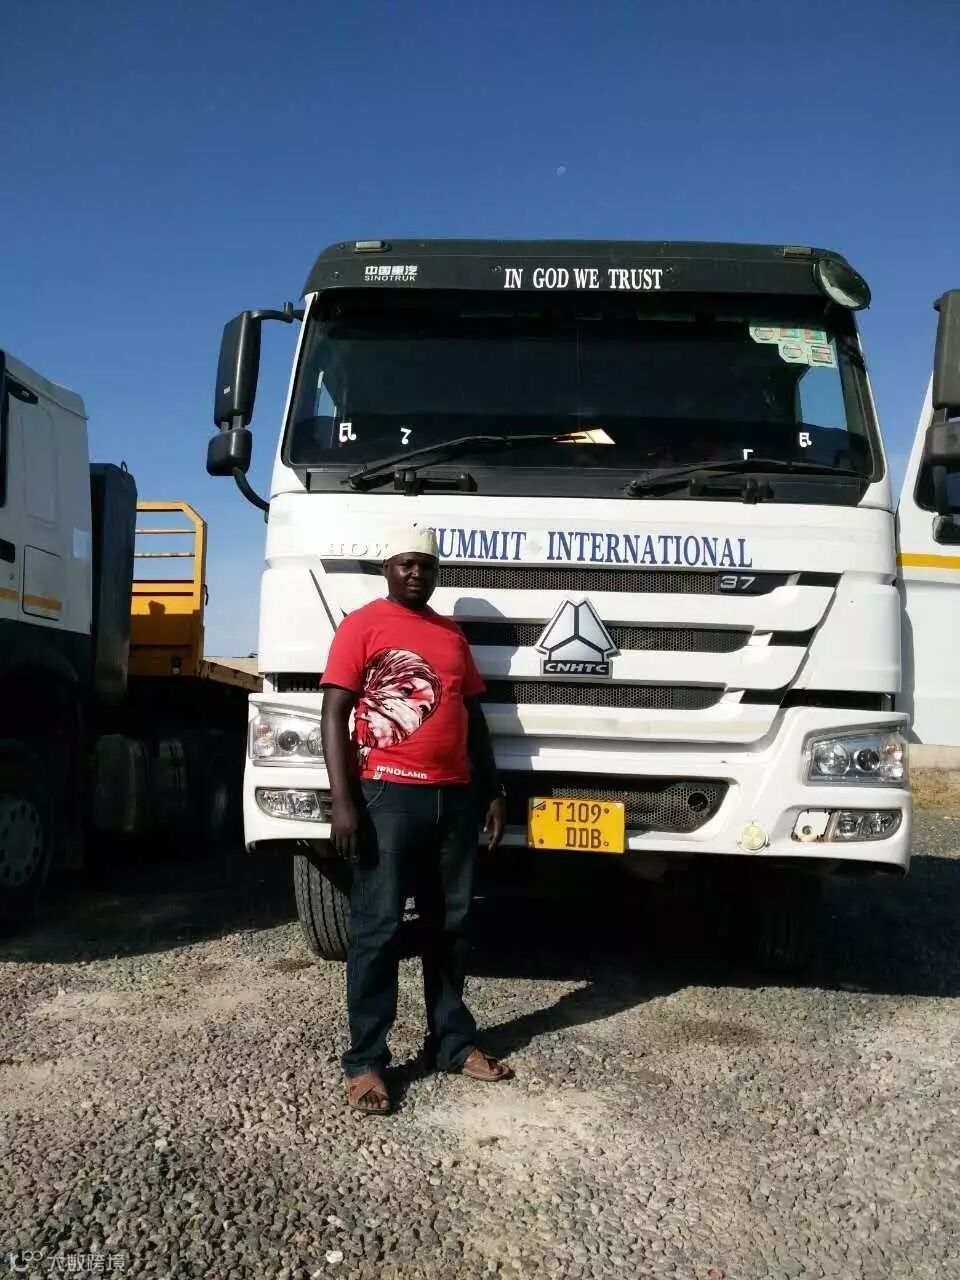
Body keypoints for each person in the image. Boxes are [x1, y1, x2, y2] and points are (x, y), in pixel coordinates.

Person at [320, 524, 511, 1114]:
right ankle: (366, 1062)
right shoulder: (361, 626)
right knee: (377, 929)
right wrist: (344, 800)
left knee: (450, 926)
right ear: (387, 568)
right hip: (386, 797)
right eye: (406, 563)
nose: (415, 573)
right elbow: (333, 712)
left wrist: (492, 789)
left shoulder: (450, 634)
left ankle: (451, 1043)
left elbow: (471, 715)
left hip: (453, 799)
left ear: (435, 573)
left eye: (425, 566)